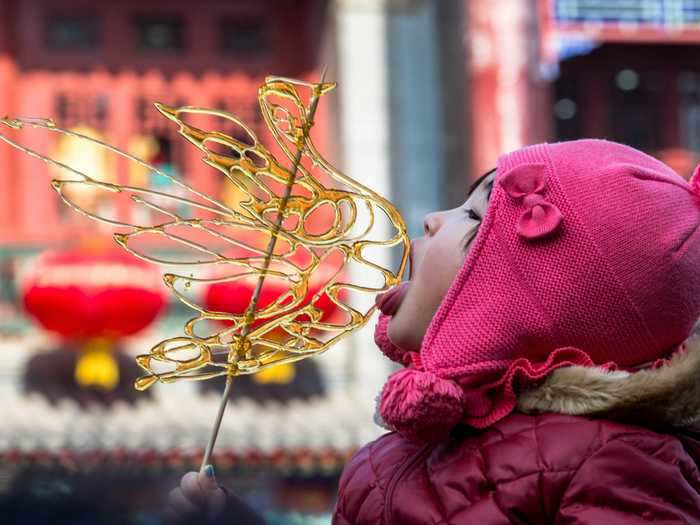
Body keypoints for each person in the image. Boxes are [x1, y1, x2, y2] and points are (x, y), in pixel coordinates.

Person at [165, 139, 700, 524]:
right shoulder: (386, 458)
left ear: (517, 300)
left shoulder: (614, 463)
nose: (432, 219)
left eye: (473, 215)